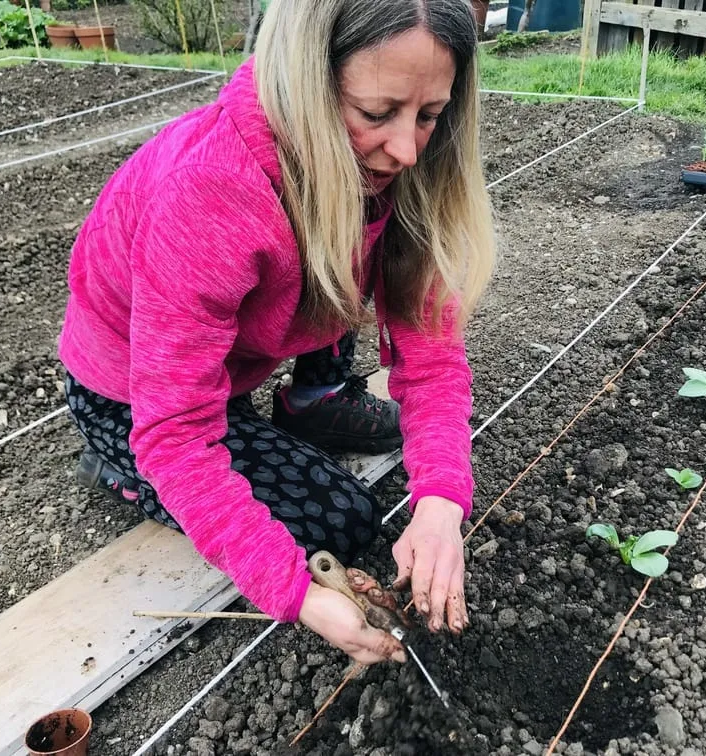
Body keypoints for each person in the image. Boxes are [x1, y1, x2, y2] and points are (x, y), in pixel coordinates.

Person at [57, 0, 495, 666]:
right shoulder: (211, 192)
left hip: (238, 356)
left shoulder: (395, 170)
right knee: (338, 521)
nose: (407, 148)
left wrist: (439, 504)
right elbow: (177, 431)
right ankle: (117, 462)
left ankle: (305, 406)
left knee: (330, 283)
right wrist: (296, 594)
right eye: (377, 114)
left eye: (430, 115)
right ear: (307, 83)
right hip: (129, 387)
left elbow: (431, 361)